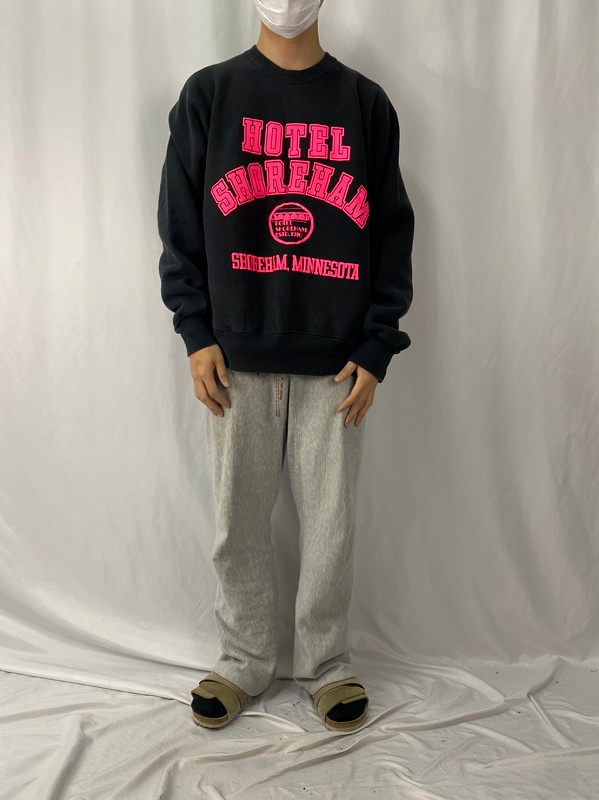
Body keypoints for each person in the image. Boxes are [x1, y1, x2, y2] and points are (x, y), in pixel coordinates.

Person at [156, 0, 415, 732]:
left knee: (332, 525)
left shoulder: (364, 103)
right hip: (233, 358)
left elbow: (393, 231)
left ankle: (327, 665)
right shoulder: (209, 95)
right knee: (237, 523)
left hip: (338, 364)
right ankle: (243, 659)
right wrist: (195, 331)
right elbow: (179, 222)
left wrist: (377, 343)